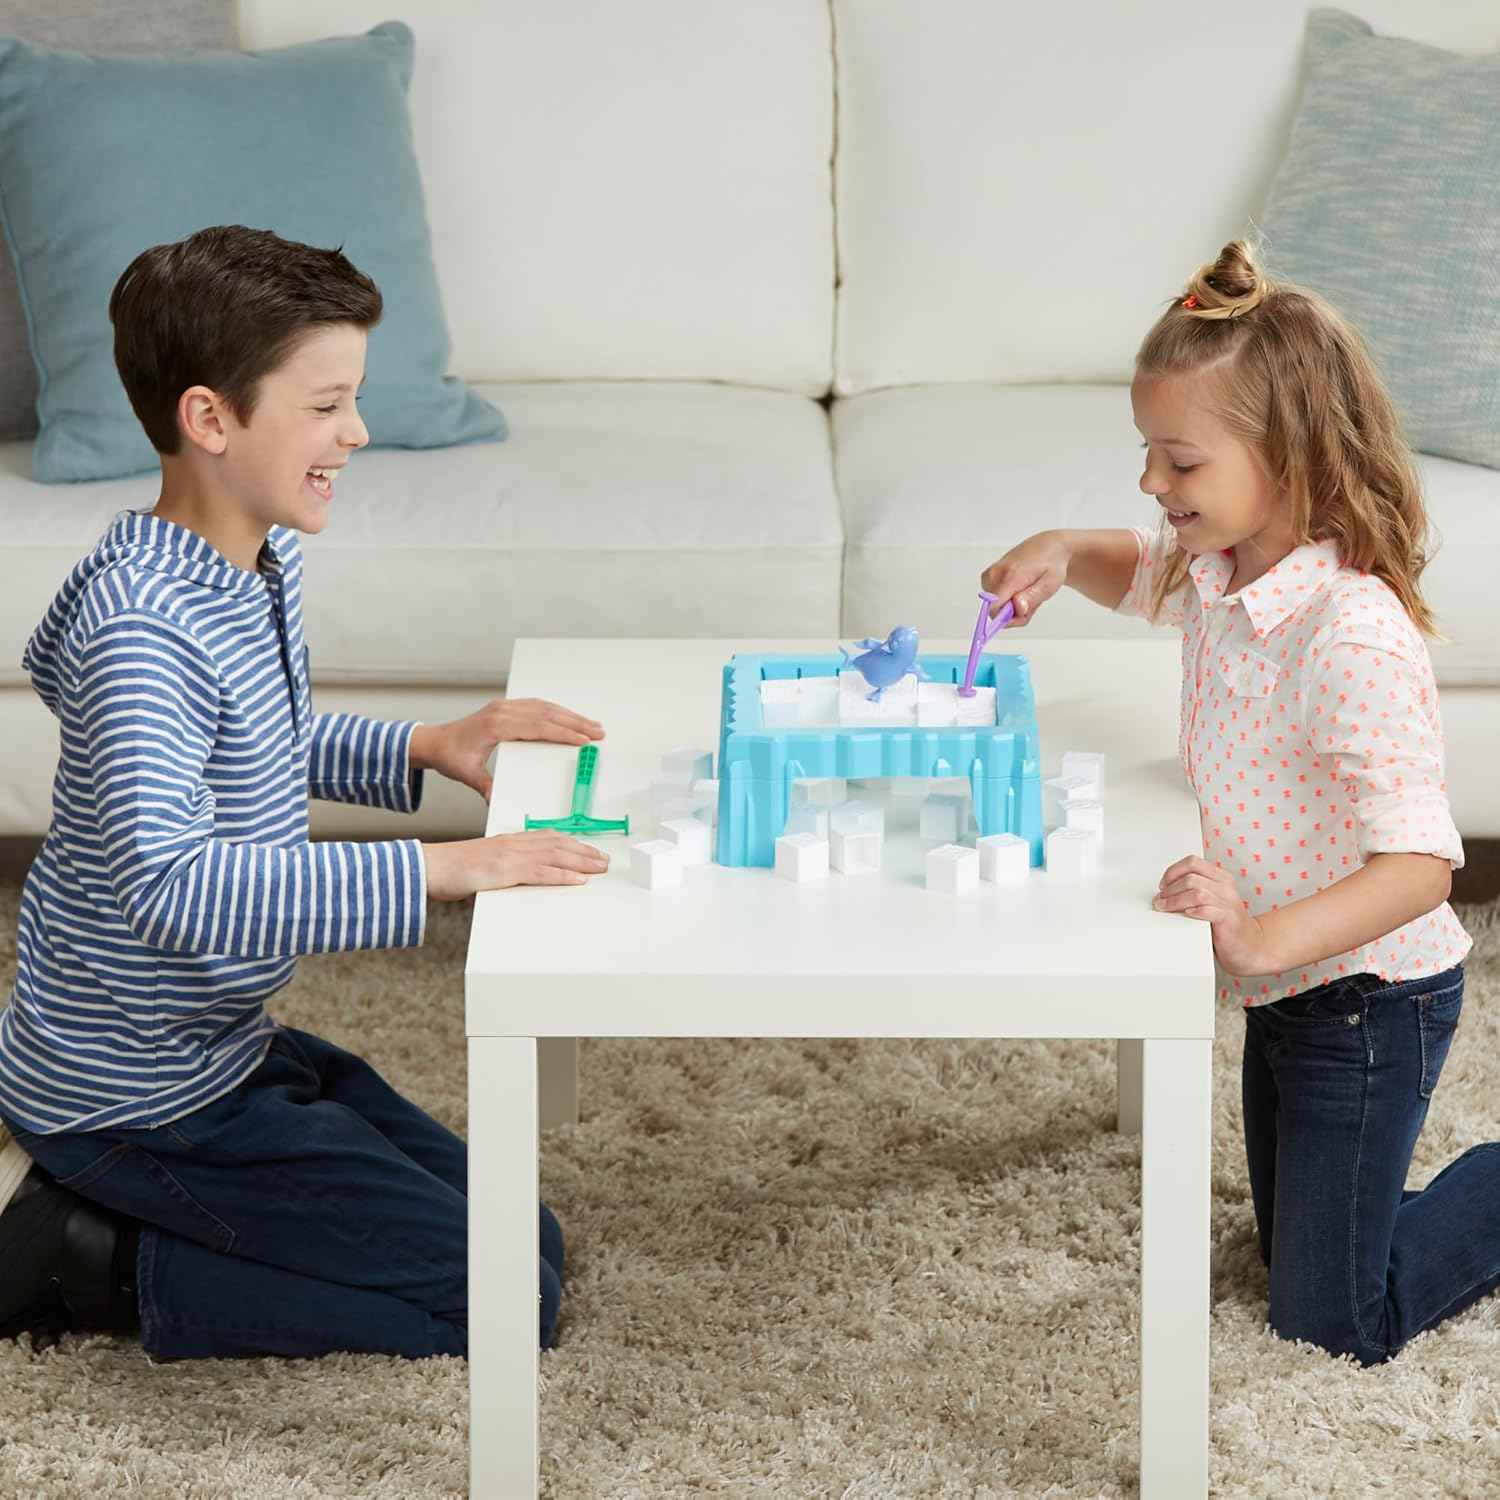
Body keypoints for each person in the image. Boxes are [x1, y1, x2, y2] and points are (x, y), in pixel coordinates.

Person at [0, 224, 608, 1358]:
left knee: (529, 1238)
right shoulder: (144, 628)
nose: (357, 432)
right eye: (327, 405)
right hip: (137, 1100)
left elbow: (250, 742)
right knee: (507, 1302)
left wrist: (427, 745)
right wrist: (441, 869)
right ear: (210, 418)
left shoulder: (241, 564)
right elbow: (173, 888)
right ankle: (83, 1255)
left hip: (223, 1046)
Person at [980, 239, 1482, 1367]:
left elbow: (1420, 868)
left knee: (1330, 1320)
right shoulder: (1225, 568)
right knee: (1282, 1252)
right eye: (1147, 455)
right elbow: (1136, 567)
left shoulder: (1348, 634)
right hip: (1288, 991)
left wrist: (1257, 940)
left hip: (1367, 999)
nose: (1152, 486)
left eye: (1180, 462)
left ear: (1289, 457)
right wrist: (1062, 549)